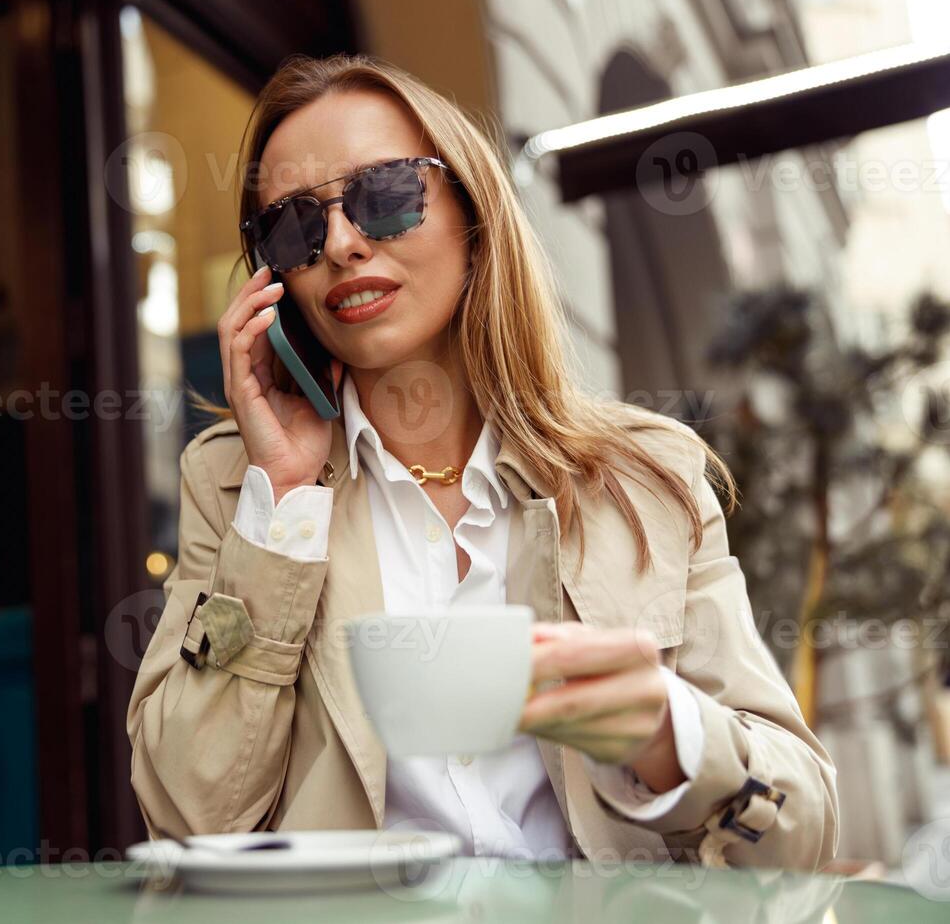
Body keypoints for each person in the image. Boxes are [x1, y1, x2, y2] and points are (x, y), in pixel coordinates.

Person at [126, 53, 837, 869]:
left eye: (384, 194)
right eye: (294, 225)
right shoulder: (234, 483)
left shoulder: (648, 478)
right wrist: (281, 504)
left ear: (472, 211)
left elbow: (803, 831)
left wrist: (666, 732)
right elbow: (186, 818)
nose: (343, 243)